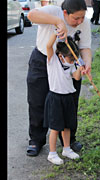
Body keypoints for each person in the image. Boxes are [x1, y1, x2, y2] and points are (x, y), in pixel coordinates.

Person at [26, 0, 92, 156]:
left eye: (82, 17)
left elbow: (85, 47)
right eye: (76, 18)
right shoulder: (52, 11)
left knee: (69, 101)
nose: (80, 21)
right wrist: (57, 22)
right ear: (65, 13)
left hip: (70, 64)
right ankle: (36, 140)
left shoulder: (84, 23)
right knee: (37, 101)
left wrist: (87, 64)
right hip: (43, 60)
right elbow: (31, 15)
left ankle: (69, 141)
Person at [44, 32, 83, 165]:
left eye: (74, 59)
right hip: (55, 97)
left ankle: (66, 149)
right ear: (61, 56)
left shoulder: (72, 63)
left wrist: (80, 69)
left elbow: (76, 77)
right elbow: (49, 46)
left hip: (68, 97)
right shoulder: (53, 61)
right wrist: (56, 34)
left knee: (67, 126)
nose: (72, 61)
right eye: (71, 59)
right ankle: (52, 153)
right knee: (55, 127)